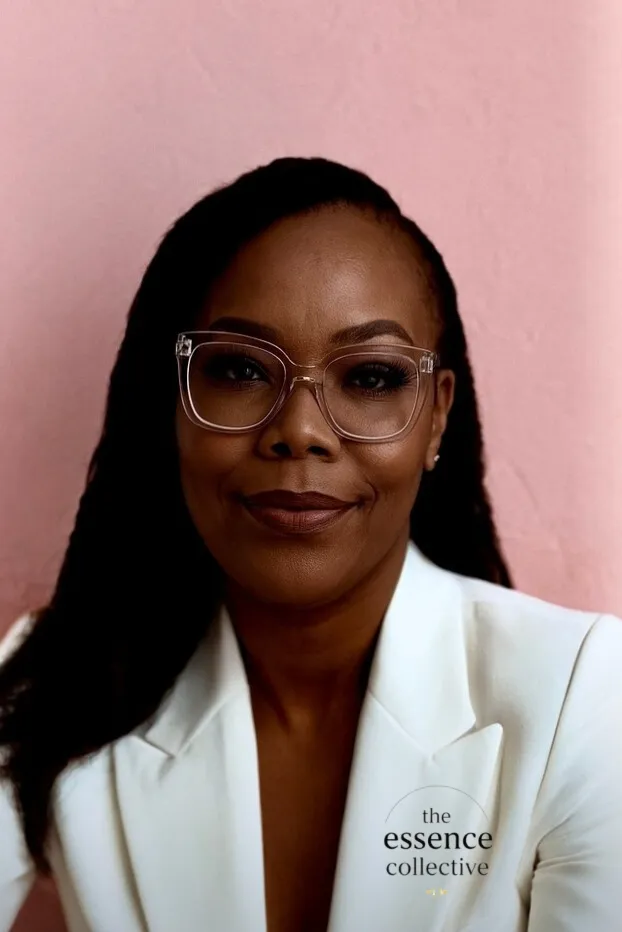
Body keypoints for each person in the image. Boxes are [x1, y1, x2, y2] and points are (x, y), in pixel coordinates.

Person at [0, 157, 621, 932]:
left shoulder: (585, 695)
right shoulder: (61, 674)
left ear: (436, 418)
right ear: (173, 404)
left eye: (371, 378)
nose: (298, 431)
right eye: (239, 369)